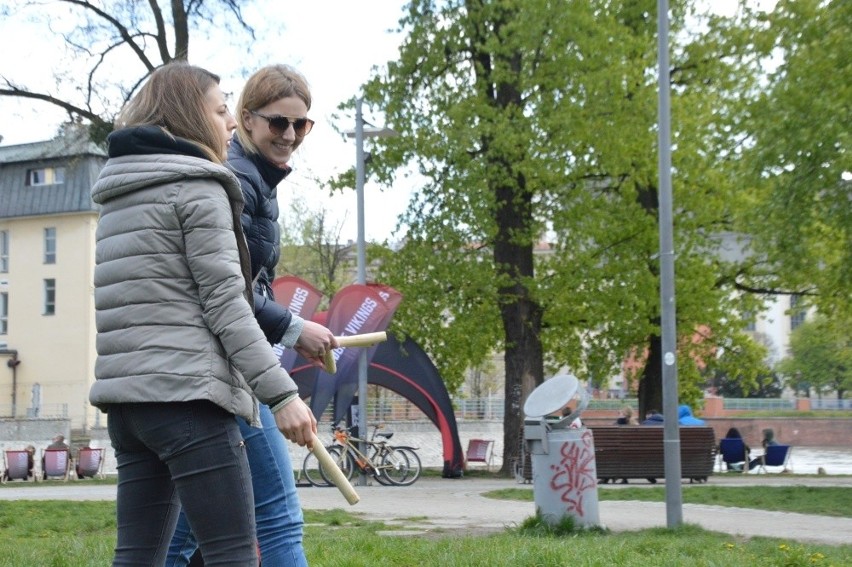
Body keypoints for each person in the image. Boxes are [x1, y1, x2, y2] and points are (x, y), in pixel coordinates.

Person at [89, 61, 325, 565]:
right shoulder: (200, 185)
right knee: (237, 552)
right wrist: (282, 394)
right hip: (190, 398)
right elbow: (227, 304)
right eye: (222, 111)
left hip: (128, 408)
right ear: (190, 115)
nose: (231, 123)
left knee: (139, 556)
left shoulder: (120, 193)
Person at [167, 64, 335, 567]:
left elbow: (245, 286)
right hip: (225, 369)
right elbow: (227, 294)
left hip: (220, 368)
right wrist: (293, 332)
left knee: (181, 536)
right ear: (245, 118)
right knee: (278, 519)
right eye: (277, 123)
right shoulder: (237, 179)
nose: (289, 135)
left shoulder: (257, 181)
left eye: (300, 125)